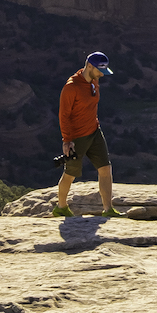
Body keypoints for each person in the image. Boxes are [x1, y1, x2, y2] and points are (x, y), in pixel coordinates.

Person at [54, 52, 121, 217]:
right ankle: (60, 208)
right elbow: (64, 115)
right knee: (70, 173)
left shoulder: (94, 81)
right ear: (89, 66)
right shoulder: (71, 87)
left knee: (105, 168)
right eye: (99, 71)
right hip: (77, 138)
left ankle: (108, 209)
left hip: (94, 132)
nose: (101, 75)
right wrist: (67, 141)